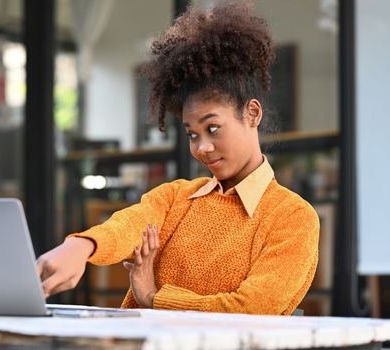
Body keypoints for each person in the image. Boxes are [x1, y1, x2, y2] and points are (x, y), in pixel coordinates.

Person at [37, 0, 319, 315]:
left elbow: (250, 309)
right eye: (192, 134)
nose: (202, 147)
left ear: (252, 114)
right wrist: (81, 246)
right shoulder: (176, 198)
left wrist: (154, 299)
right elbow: (126, 227)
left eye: (213, 128)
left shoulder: (292, 218)